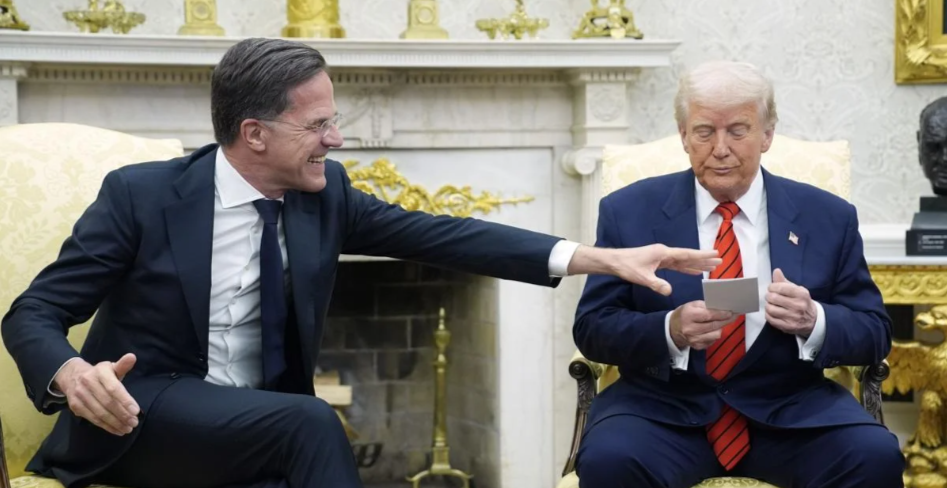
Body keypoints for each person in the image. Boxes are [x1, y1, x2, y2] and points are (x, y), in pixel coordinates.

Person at [0, 38, 721, 488]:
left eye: (333, 120)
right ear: (254, 134)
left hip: (251, 427)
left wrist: (598, 258)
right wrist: (71, 373)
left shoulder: (325, 197)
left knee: (296, 439)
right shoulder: (144, 196)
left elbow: (445, 236)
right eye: (318, 125)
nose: (337, 139)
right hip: (141, 417)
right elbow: (33, 312)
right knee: (312, 424)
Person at [572, 60, 904, 488]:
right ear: (683, 136)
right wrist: (669, 330)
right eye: (704, 131)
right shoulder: (628, 212)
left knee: (873, 457)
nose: (721, 148)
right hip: (662, 411)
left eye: (738, 130)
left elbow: (874, 331)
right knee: (610, 460)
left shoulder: (827, 216)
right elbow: (593, 328)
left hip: (792, 410)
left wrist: (814, 320)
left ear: (767, 135)